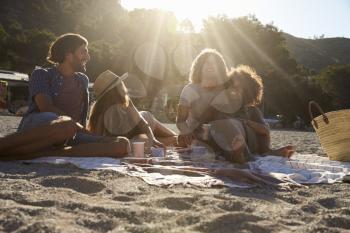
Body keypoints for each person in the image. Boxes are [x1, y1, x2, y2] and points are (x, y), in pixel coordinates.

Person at [0, 33, 130, 160]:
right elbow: (46, 107)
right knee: (66, 125)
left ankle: (51, 153)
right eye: (83, 52)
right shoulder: (41, 74)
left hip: (70, 132)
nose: (88, 57)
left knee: (122, 144)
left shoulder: (83, 80)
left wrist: (85, 132)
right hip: (41, 127)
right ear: (69, 55)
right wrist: (74, 126)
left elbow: (80, 120)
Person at [176, 48, 246, 163]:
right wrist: (187, 131)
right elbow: (180, 120)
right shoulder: (190, 89)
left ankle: (237, 154)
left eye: (215, 63)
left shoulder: (225, 89)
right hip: (196, 133)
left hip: (221, 132)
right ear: (200, 66)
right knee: (182, 139)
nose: (211, 66)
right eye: (207, 63)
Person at [215, 65, 294, 158]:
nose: (234, 91)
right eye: (231, 87)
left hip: (250, 147)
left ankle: (267, 152)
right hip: (230, 145)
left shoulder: (252, 111)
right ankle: (240, 154)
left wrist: (246, 122)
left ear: (248, 92)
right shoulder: (222, 108)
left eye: (238, 88)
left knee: (261, 129)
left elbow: (265, 131)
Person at [87, 70, 177, 148]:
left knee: (146, 118)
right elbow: (98, 140)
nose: (124, 86)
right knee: (145, 139)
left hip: (141, 130)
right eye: (121, 84)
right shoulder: (100, 115)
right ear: (116, 90)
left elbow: (143, 124)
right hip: (132, 141)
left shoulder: (124, 103)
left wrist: (153, 139)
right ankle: (178, 139)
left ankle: (178, 138)